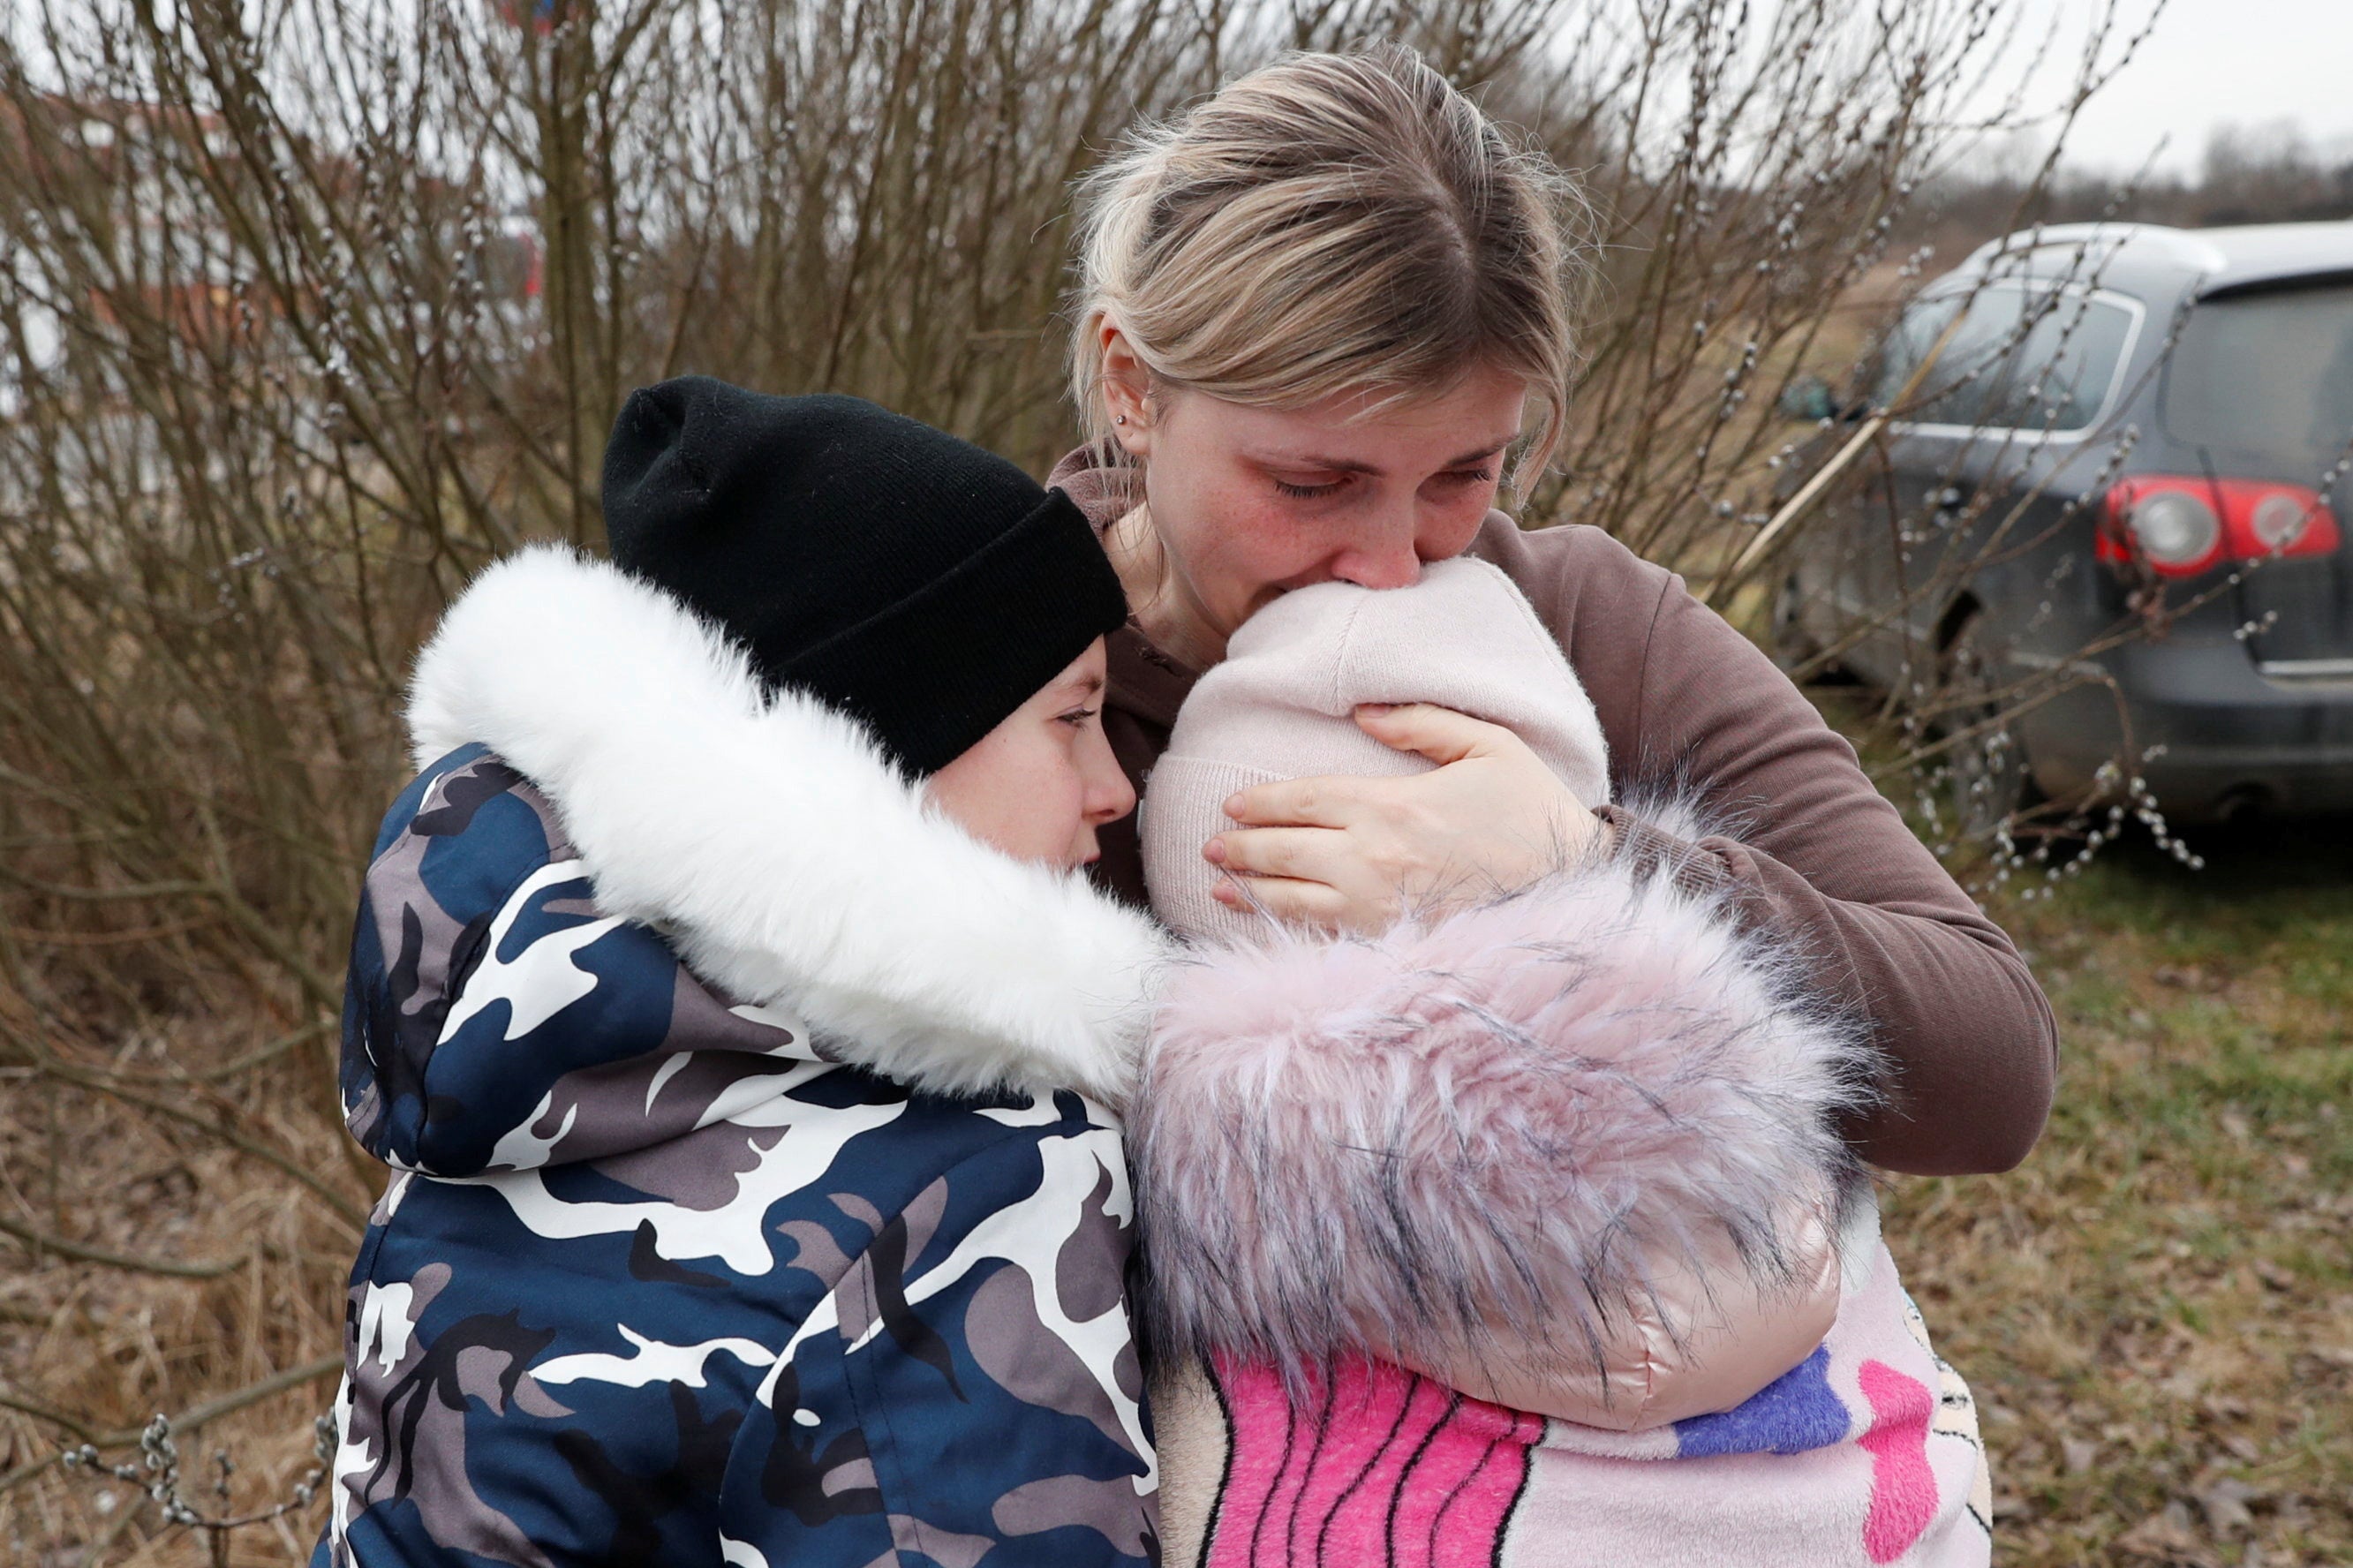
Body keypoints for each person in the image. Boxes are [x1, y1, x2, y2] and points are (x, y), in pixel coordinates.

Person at [1056, 44, 2056, 1181]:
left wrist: (1590, 874)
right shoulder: (987, 659)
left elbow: (1994, 1073)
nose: (1390, 565)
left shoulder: (1583, 617)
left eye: (1461, 474)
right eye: (1310, 484)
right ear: (1134, 390)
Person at [318, 380, 1171, 1568]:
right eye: (1072, 718)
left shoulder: (486, 1076)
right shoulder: (974, 1183)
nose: (1115, 790)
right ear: (884, 757)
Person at [1127, 556, 1993, 1565]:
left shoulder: (1193, 1205)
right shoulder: (1774, 1142)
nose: (1384, 545)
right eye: (1310, 479)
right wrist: (1610, 863)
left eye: (1462, 469)